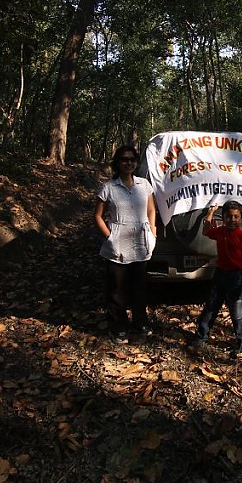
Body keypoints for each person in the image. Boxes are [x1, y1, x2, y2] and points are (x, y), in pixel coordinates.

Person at [94, 145, 157, 341]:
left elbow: (151, 210)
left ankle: (140, 322)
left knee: (139, 286)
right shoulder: (108, 188)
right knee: (117, 289)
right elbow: (97, 216)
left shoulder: (144, 185)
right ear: (117, 163)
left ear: (136, 163)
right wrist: (109, 237)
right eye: (124, 159)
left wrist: (153, 233)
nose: (128, 163)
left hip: (141, 242)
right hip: (117, 245)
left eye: (131, 159)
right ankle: (118, 325)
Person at [191, 200, 242, 357]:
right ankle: (201, 336)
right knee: (211, 306)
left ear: (240, 219)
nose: (232, 220)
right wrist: (211, 212)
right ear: (224, 218)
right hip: (220, 274)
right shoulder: (220, 232)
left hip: (236, 277)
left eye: (236, 217)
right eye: (229, 217)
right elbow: (206, 230)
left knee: (237, 310)